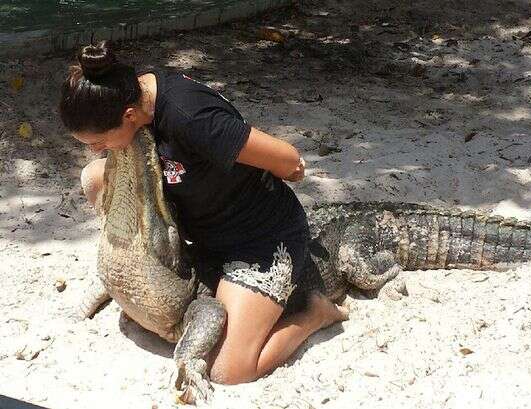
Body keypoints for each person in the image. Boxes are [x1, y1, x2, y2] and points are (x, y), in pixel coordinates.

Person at [58, 41, 348, 384]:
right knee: (95, 177)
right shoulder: (126, 93)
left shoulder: (192, 118)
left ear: (129, 117)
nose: (95, 149)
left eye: (99, 141)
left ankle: (316, 315)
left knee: (229, 370)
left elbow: (290, 160)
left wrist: (240, 171)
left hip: (258, 239)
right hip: (201, 229)